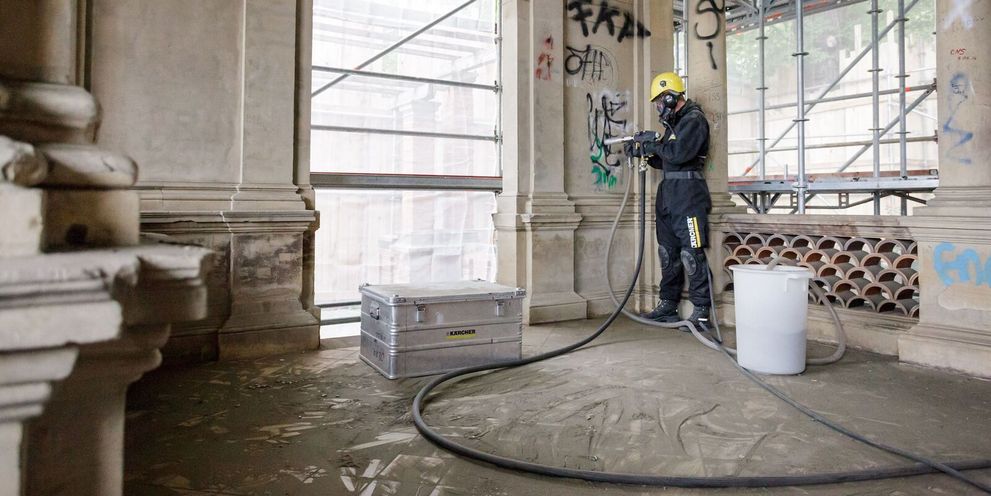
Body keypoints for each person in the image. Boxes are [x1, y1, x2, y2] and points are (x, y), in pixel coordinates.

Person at [624, 72, 712, 329]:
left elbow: (679, 153)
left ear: (672, 97)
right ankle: (668, 305)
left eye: (660, 101)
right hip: (669, 193)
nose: (658, 107)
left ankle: (701, 311)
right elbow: (666, 160)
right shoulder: (675, 125)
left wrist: (652, 145)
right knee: (667, 251)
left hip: (689, 194)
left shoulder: (694, 120)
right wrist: (643, 152)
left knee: (691, 253)